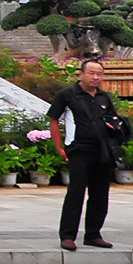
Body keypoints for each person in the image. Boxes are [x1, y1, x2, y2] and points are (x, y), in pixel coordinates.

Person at [47, 59, 121, 251]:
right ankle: (67, 236)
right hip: (79, 150)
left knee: (100, 194)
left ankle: (93, 234)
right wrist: (59, 147)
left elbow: (112, 118)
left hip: (102, 151)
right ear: (81, 74)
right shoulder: (66, 95)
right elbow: (53, 120)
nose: (95, 77)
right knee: (76, 192)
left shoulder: (104, 97)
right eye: (91, 73)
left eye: (99, 74)